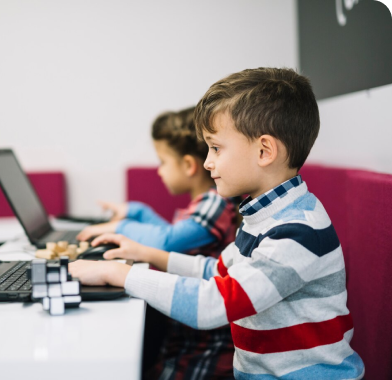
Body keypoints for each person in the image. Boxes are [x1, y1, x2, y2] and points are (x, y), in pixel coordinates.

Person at [70, 67, 365, 379]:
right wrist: (147, 254)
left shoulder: (297, 232)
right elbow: (216, 271)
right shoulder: (264, 215)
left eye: (215, 148)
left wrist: (120, 274)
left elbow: (212, 304)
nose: (207, 162)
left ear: (264, 150)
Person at [78, 107, 238, 379]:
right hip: (188, 334)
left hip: (206, 345)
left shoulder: (215, 203)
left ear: (188, 165)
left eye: (163, 162)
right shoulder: (203, 205)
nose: (159, 171)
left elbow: (168, 240)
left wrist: (119, 226)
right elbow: (169, 233)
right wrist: (136, 211)